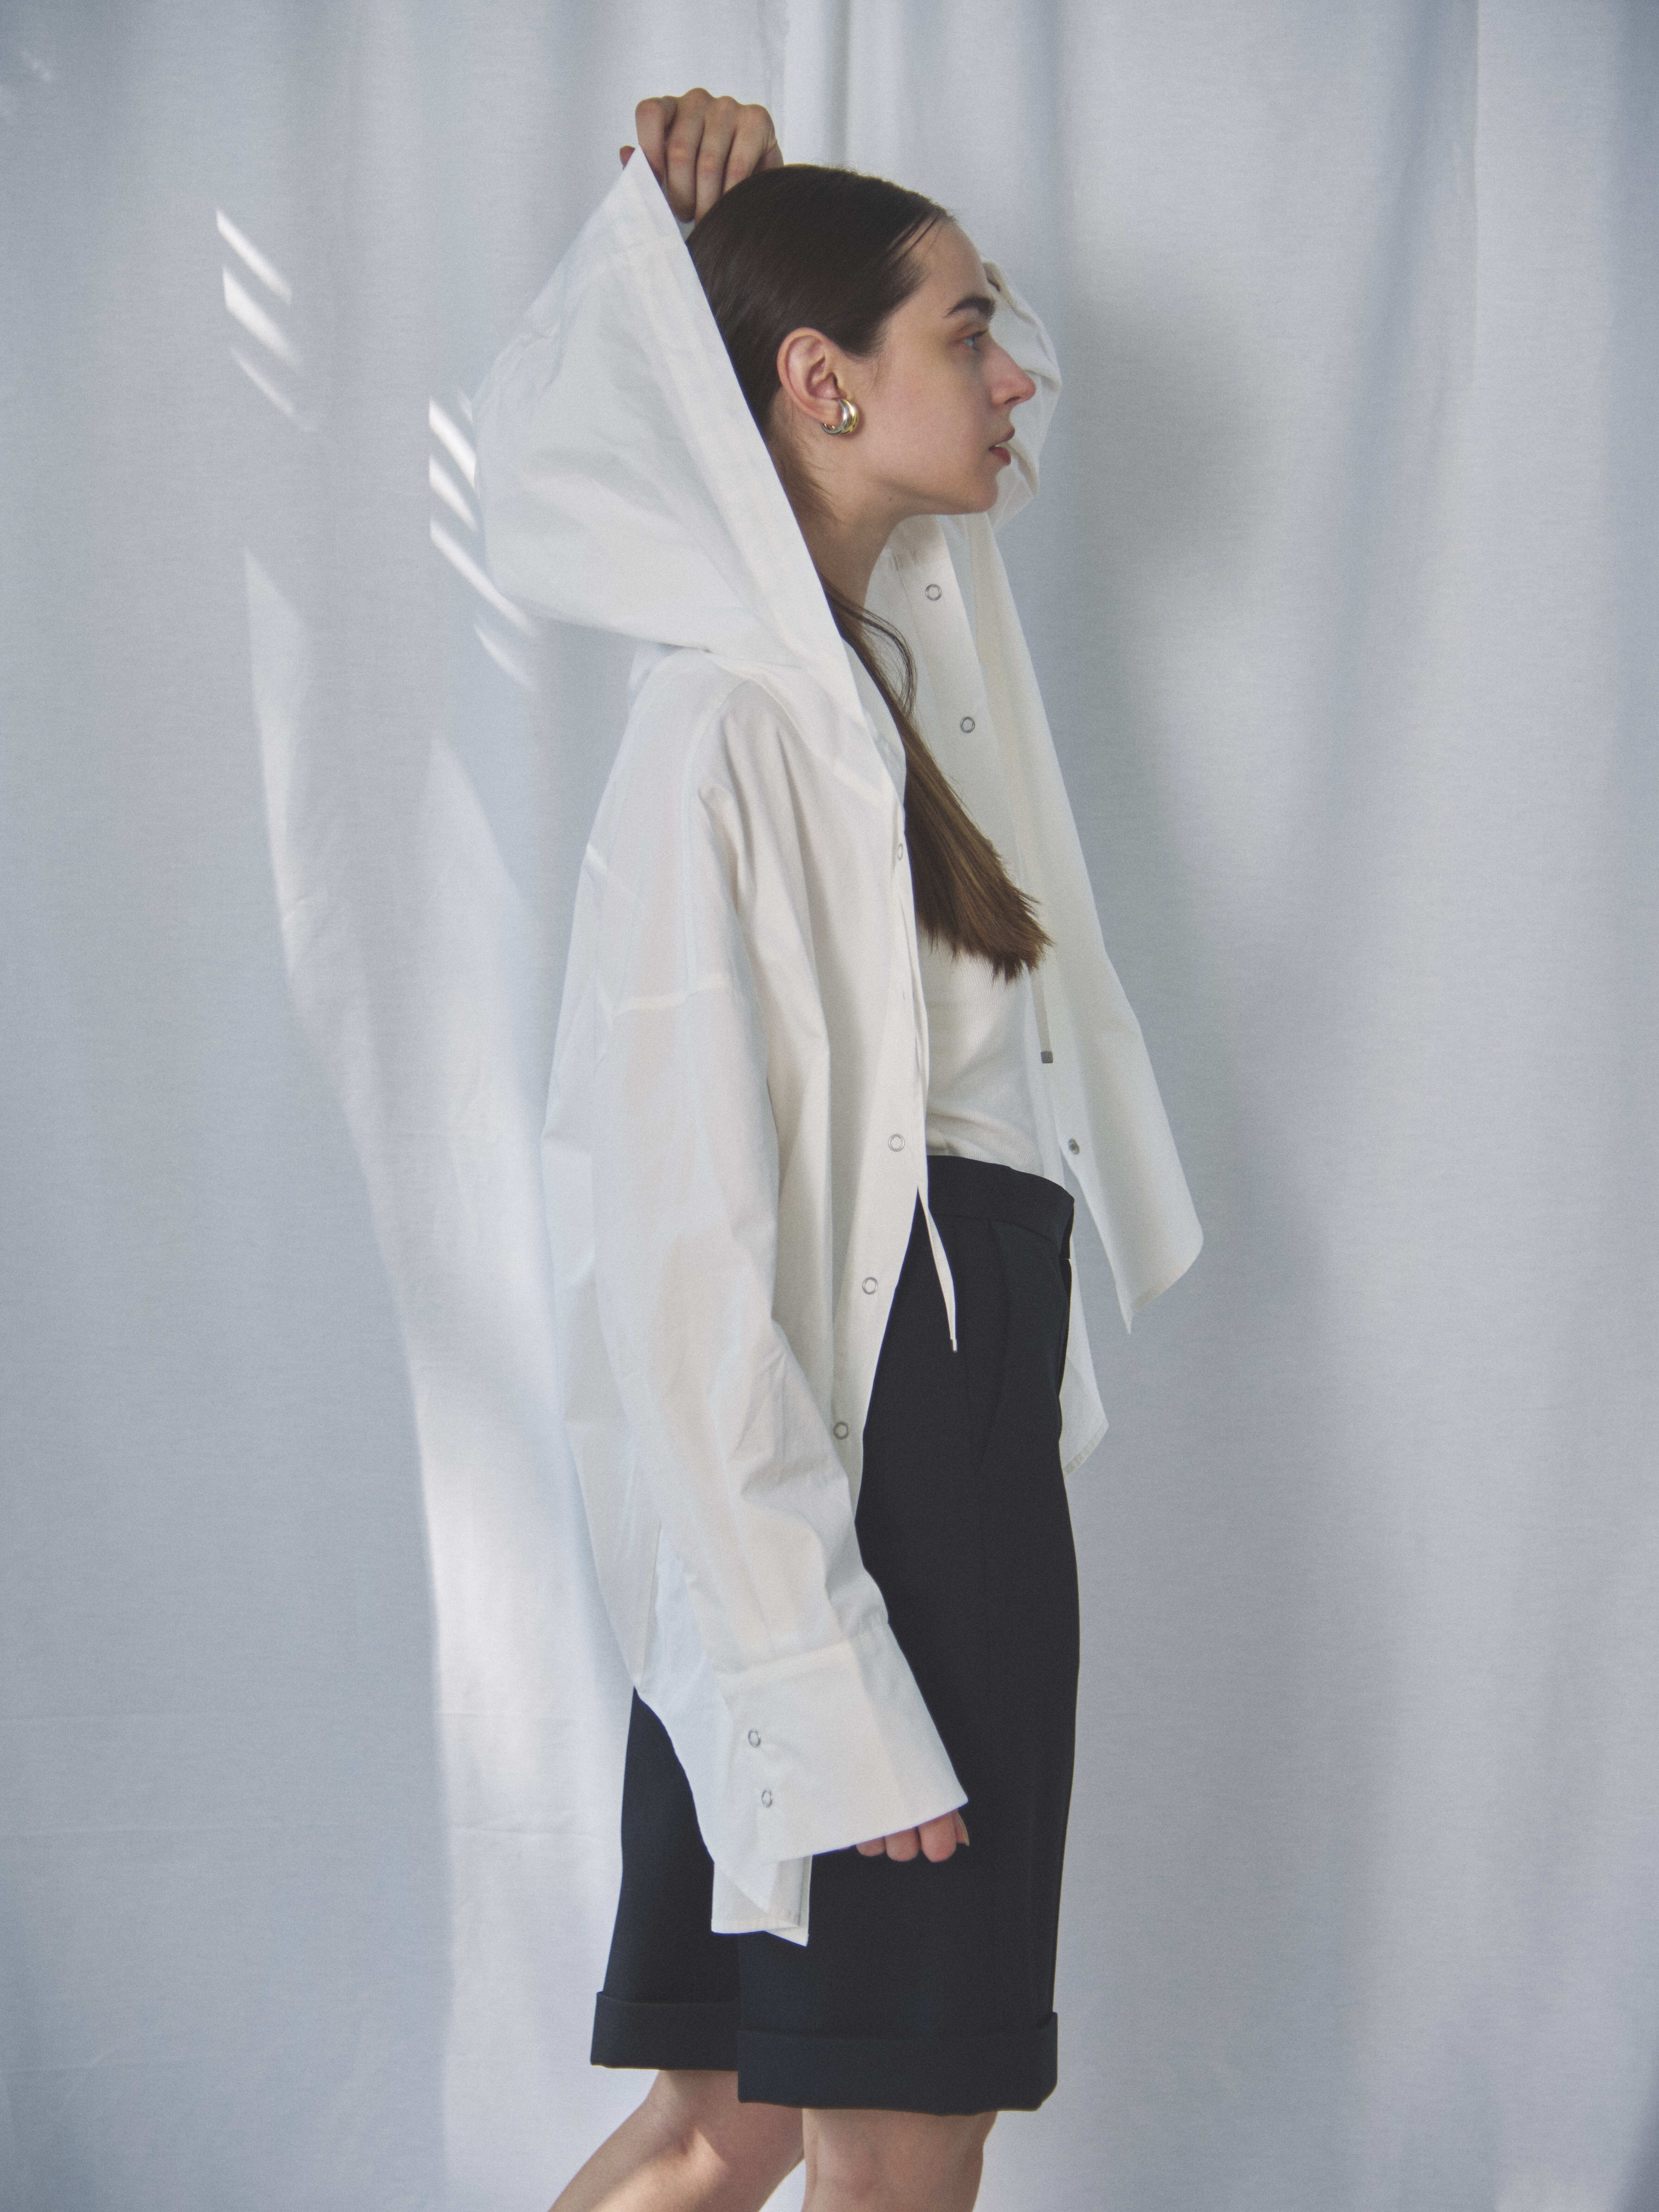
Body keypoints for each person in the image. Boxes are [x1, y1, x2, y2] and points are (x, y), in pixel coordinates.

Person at [472, 88, 1202, 2212]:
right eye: (968, 331)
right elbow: (678, 1247)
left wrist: (710, 228)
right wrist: (817, 1665)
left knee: (733, 2123)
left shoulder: (877, 686)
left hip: (899, 1451)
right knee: (889, 2136)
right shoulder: (732, 729)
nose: (1017, 376)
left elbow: (775, 484)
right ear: (820, 380)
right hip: (866, 1491)